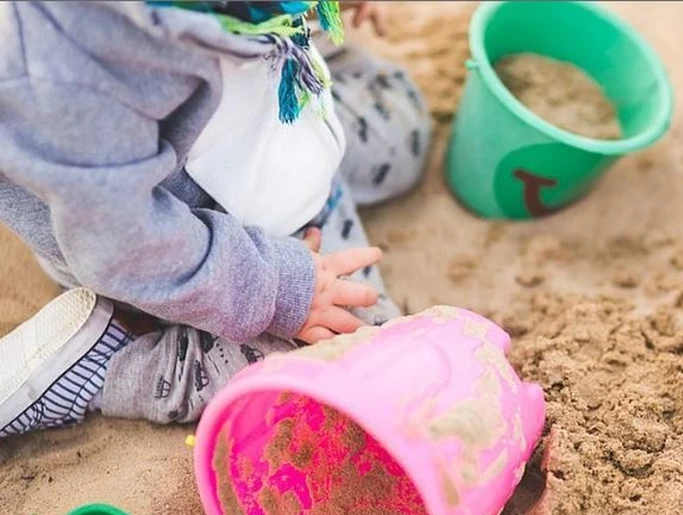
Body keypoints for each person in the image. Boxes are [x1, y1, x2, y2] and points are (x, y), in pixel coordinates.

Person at [0, 1, 431, 436]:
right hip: (189, 250)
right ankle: (110, 362)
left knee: (401, 134)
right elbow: (127, 249)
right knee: (361, 353)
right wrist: (279, 290)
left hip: (269, 120)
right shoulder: (65, 70)